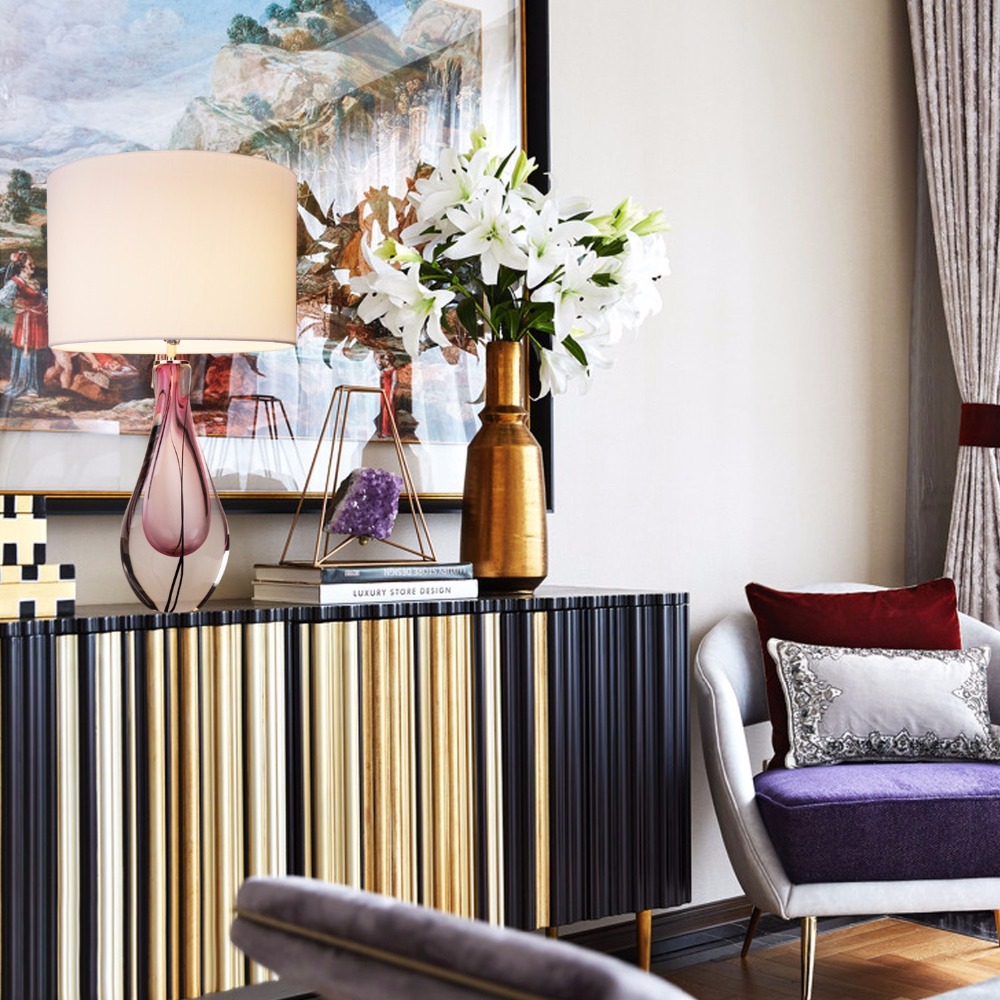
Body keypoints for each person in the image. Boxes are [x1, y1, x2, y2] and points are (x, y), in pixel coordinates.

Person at [4, 251, 48, 397]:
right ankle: (24, 384)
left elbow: (42, 298)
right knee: (26, 349)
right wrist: (16, 304)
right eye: (30, 264)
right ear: (22, 268)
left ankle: (34, 385)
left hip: (38, 321)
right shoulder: (16, 282)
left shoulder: (34, 282)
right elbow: (3, 298)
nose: (33, 266)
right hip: (26, 321)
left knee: (37, 351)